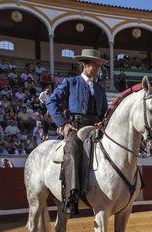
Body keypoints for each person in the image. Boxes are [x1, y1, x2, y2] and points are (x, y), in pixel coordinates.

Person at [47, 48, 108, 214]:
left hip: (95, 128)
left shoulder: (100, 89)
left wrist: (103, 123)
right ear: (84, 65)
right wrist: (64, 123)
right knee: (72, 151)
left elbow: (104, 113)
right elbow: (51, 103)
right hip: (76, 127)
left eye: (99, 65)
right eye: (94, 65)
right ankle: (71, 196)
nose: (97, 68)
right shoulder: (71, 82)